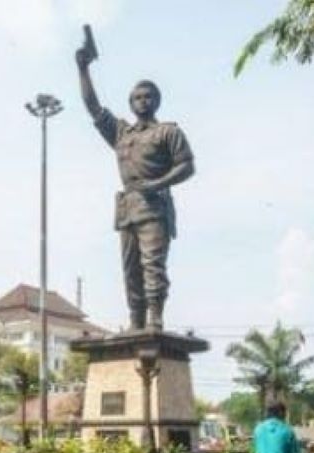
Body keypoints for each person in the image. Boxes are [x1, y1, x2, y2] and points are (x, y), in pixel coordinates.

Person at [76, 37, 195, 331]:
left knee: (152, 266)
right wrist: (83, 69)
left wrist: (158, 184)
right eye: (138, 97)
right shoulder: (121, 133)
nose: (143, 100)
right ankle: (136, 321)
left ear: (157, 101)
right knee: (130, 271)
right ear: (131, 103)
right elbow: (93, 107)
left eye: (148, 96)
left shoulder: (168, 132)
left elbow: (187, 165)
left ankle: (155, 320)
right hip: (127, 208)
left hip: (155, 207)